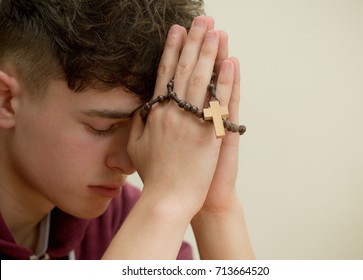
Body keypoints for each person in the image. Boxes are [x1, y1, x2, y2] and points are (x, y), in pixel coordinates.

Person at [0, 0, 254, 259]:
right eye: (103, 127)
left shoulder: (123, 218)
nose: (129, 162)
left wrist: (215, 207)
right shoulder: (153, 214)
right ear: (6, 100)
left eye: (149, 127)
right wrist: (165, 205)